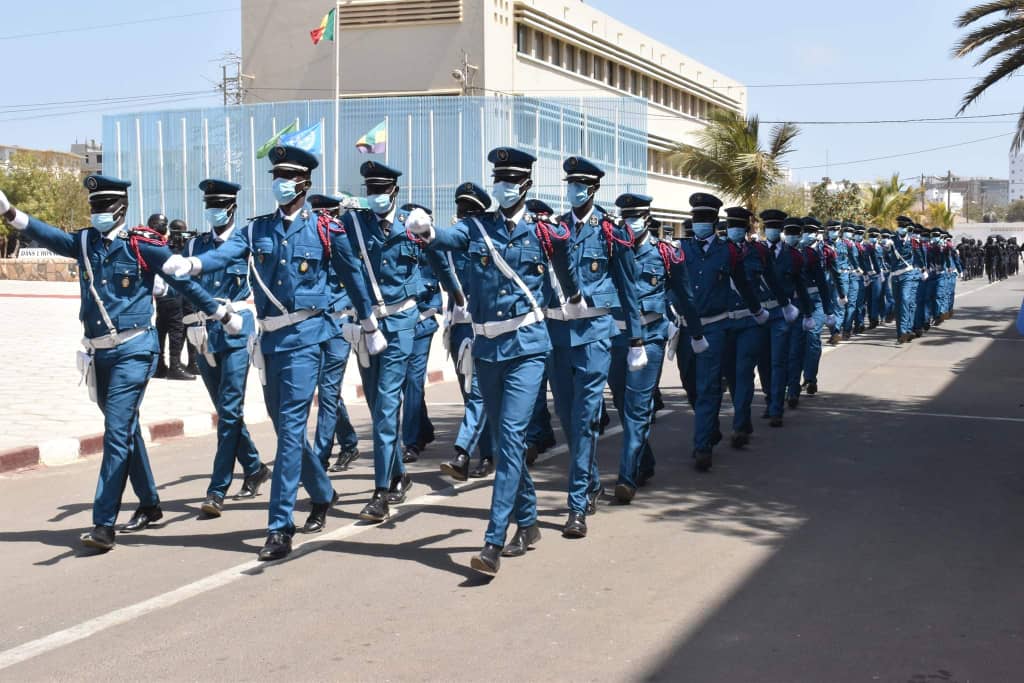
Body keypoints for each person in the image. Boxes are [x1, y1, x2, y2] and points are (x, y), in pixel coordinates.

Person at [163, 145, 383, 561]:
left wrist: (368, 323)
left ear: (304, 183)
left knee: (288, 428)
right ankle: (322, 492)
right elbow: (225, 254)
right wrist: (192, 267)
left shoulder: (323, 229)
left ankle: (280, 527)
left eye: (287, 177)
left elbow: (353, 277)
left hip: (307, 337)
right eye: (276, 177)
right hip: (269, 342)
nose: (280, 184)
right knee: (287, 432)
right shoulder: (257, 229)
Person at [0, 177, 239, 551]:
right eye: (93, 208)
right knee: (125, 429)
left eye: (104, 208)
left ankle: (103, 523)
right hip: (99, 353)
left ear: (121, 210)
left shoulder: (141, 246)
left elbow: (182, 279)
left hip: (135, 349)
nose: (97, 215)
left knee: (115, 431)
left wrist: (218, 312)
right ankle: (150, 503)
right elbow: (49, 237)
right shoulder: (84, 242)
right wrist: (10, 212)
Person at [408, 146, 576, 575]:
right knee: (505, 444)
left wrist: (575, 300)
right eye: (497, 179)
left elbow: (566, 269)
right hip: (487, 348)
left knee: (511, 440)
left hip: (527, 346)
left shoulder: (542, 232)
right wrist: (428, 232)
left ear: (526, 185)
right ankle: (530, 520)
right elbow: (450, 239)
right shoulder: (477, 227)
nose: (502, 186)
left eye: (510, 180)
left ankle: (492, 541)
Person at [338, 162, 454, 523]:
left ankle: (381, 491)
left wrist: (456, 298)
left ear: (395, 193)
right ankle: (399, 472)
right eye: (370, 189)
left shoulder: (411, 228)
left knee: (387, 405)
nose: (376, 196)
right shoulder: (354, 225)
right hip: (367, 326)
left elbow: (438, 262)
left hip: (402, 324)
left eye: (382, 190)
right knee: (376, 404)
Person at [546, 156, 643, 539]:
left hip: (595, 337)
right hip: (558, 336)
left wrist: (634, 338)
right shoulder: (554, 229)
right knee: (568, 420)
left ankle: (576, 506)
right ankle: (588, 481)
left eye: (580, 184)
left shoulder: (610, 231)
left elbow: (628, 286)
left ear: (594, 189)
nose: (574, 190)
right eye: (570, 183)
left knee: (586, 419)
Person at [606, 193, 704, 503]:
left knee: (636, 407)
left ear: (647, 218)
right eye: (626, 217)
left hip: (649, 337)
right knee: (623, 404)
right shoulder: (612, 250)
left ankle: (626, 476)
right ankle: (644, 461)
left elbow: (685, 296)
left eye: (635, 216)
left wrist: (697, 333)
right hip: (615, 338)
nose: (630, 223)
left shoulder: (666, 253)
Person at [182, 179, 270, 516]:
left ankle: (217, 489)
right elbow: (185, 285)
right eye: (210, 205)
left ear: (232, 207)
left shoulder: (245, 243)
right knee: (225, 409)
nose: (213, 211)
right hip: (204, 335)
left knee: (230, 410)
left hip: (235, 331)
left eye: (219, 205)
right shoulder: (196, 246)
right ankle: (254, 467)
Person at [679, 193, 764, 472]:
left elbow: (743, 283)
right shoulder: (680, 250)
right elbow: (671, 284)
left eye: (705, 219)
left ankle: (702, 446)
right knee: (690, 383)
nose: (700, 223)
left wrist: (756, 310)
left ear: (715, 222)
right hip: (685, 328)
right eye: (696, 218)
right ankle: (710, 424)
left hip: (715, 326)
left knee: (707, 385)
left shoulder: (728, 251)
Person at [439, 183, 493, 482]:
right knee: (470, 393)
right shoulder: (450, 243)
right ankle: (486, 451)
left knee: (481, 394)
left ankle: (469, 452)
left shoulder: (488, 243)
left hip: (486, 327)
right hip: (460, 328)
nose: (463, 216)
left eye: (470, 211)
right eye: (461, 210)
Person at [306, 194, 361, 474]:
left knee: (328, 392)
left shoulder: (345, 244)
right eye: (317, 215)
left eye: (326, 215)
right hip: (317, 326)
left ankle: (320, 456)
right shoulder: (311, 247)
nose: (321, 220)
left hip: (340, 325)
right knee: (328, 392)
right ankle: (349, 442)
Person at [760, 211, 812, 427]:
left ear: (780, 230)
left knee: (778, 360)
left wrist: (807, 312)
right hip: (758, 314)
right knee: (763, 363)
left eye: (775, 227)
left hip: (783, 314)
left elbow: (800, 285)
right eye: (768, 227)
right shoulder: (756, 251)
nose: (772, 231)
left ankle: (776, 409)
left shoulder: (793, 256)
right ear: (764, 230)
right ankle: (770, 397)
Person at [401, 204, 442, 464]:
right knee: (407, 382)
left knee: (414, 380)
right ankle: (423, 428)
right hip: (399, 325)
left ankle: (411, 441)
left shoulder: (430, 251)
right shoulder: (398, 250)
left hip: (422, 324)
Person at [150, 213, 195, 380]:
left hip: (166, 293)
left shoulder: (157, 243)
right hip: (170, 292)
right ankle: (173, 366)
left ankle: (160, 365)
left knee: (162, 328)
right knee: (175, 329)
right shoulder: (162, 245)